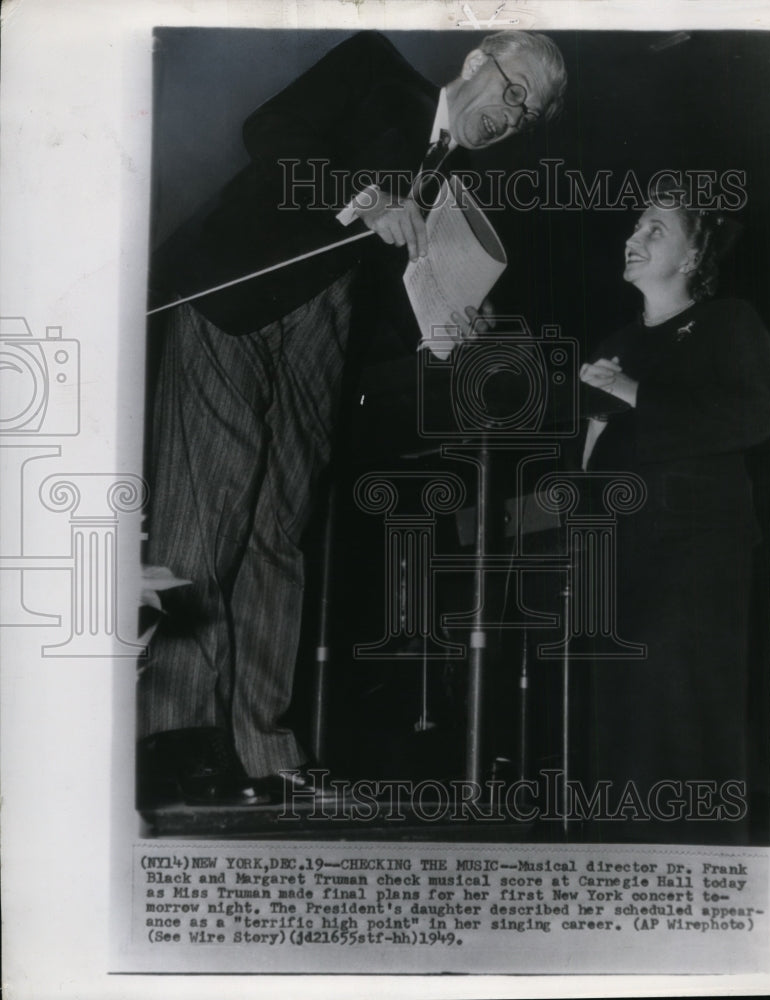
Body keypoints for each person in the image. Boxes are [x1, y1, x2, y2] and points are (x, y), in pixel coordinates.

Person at [137, 30, 568, 808]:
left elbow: (400, 293)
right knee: (205, 520)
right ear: (476, 64)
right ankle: (176, 739)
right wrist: (368, 199)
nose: (513, 116)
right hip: (230, 297)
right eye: (513, 91)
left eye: (528, 115)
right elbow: (271, 133)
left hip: (322, 342)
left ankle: (264, 750)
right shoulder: (375, 69)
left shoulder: (461, 191)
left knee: (278, 538)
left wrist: (451, 324)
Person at [577, 185, 770, 842]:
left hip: (694, 555)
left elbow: (753, 416)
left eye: (656, 228)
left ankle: (703, 879)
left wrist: (629, 392)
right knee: (618, 721)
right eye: (635, 224)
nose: (634, 236)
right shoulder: (612, 342)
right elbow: (587, 453)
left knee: (683, 718)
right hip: (616, 551)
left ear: (694, 253)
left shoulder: (728, 322)